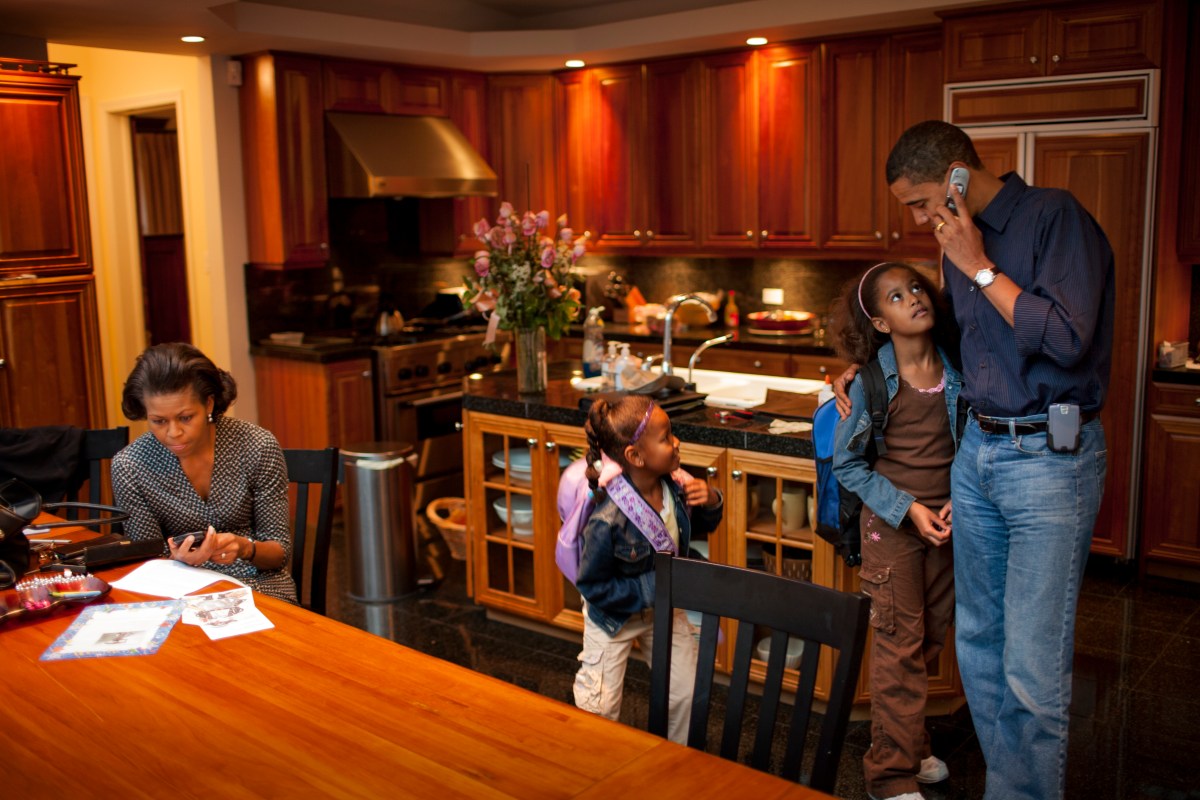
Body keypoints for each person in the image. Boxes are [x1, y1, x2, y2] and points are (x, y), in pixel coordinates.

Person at [838, 120, 1113, 800]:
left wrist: (979, 263)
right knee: (980, 649)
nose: (922, 218)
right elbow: (952, 351)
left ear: (959, 174)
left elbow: (1068, 339)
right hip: (978, 452)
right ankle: (1006, 787)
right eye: (914, 208)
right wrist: (859, 369)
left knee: (1031, 663)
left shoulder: (1054, 218)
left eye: (923, 201)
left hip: (1049, 459)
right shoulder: (950, 250)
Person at [832, 262, 962, 800]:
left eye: (915, 287)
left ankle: (910, 741)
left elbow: (972, 441)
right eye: (894, 297)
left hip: (948, 525)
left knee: (930, 636)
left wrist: (960, 497)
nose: (912, 297)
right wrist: (908, 509)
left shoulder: (960, 368)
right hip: (892, 529)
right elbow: (848, 464)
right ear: (880, 323)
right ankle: (889, 773)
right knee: (897, 645)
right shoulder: (868, 382)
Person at [572, 394, 722, 744]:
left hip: (663, 610)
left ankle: (675, 763)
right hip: (613, 618)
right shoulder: (607, 520)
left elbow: (700, 526)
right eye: (667, 437)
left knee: (686, 692)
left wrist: (712, 500)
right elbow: (593, 587)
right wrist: (653, 587)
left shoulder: (677, 487)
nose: (676, 442)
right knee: (599, 709)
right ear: (635, 456)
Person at [111, 342, 298, 603]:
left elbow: (279, 553)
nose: (173, 432)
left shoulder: (256, 445)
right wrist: (176, 558)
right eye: (159, 421)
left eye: (186, 417)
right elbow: (147, 560)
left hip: (258, 585)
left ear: (208, 404)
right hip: (178, 591)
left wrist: (245, 547)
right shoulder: (130, 466)